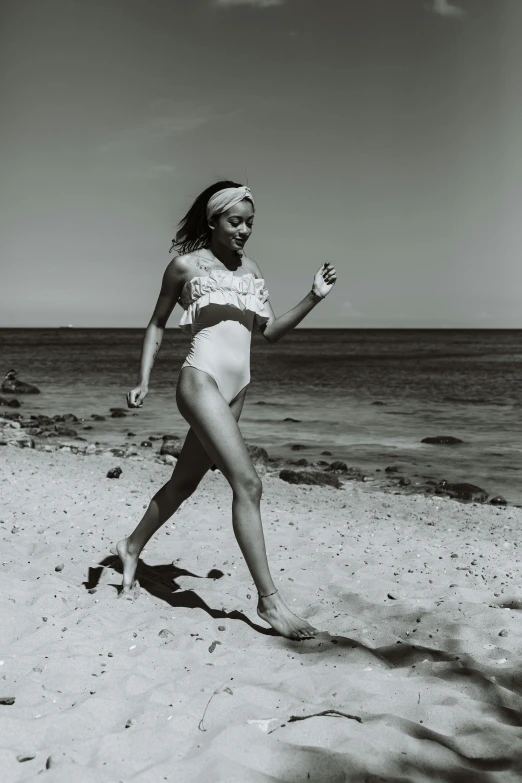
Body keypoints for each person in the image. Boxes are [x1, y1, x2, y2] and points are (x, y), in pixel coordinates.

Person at [117, 180, 337, 640]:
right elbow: (156, 323)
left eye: (250, 223)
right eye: (235, 221)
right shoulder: (184, 267)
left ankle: (131, 546)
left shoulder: (251, 269)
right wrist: (143, 379)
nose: (244, 230)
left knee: (184, 483)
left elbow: (270, 331)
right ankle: (270, 602)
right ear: (214, 220)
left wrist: (313, 296)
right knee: (249, 484)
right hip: (200, 380)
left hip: (239, 389)